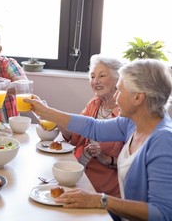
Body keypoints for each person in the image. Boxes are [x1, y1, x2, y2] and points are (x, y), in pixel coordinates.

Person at [25, 59, 172, 220]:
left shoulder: (163, 141)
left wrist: (100, 200)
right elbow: (93, 127)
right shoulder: (133, 122)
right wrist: (45, 111)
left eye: (120, 91)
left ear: (138, 97)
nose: (115, 97)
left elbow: (163, 213)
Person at [60, 54, 124, 197]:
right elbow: (74, 136)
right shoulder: (94, 103)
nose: (95, 81)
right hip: (77, 173)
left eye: (101, 76)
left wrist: (108, 159)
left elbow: (134, 162)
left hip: (102, 187)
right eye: (92, 76)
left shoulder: (125, 114)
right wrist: (53, 119)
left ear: (118, 79)